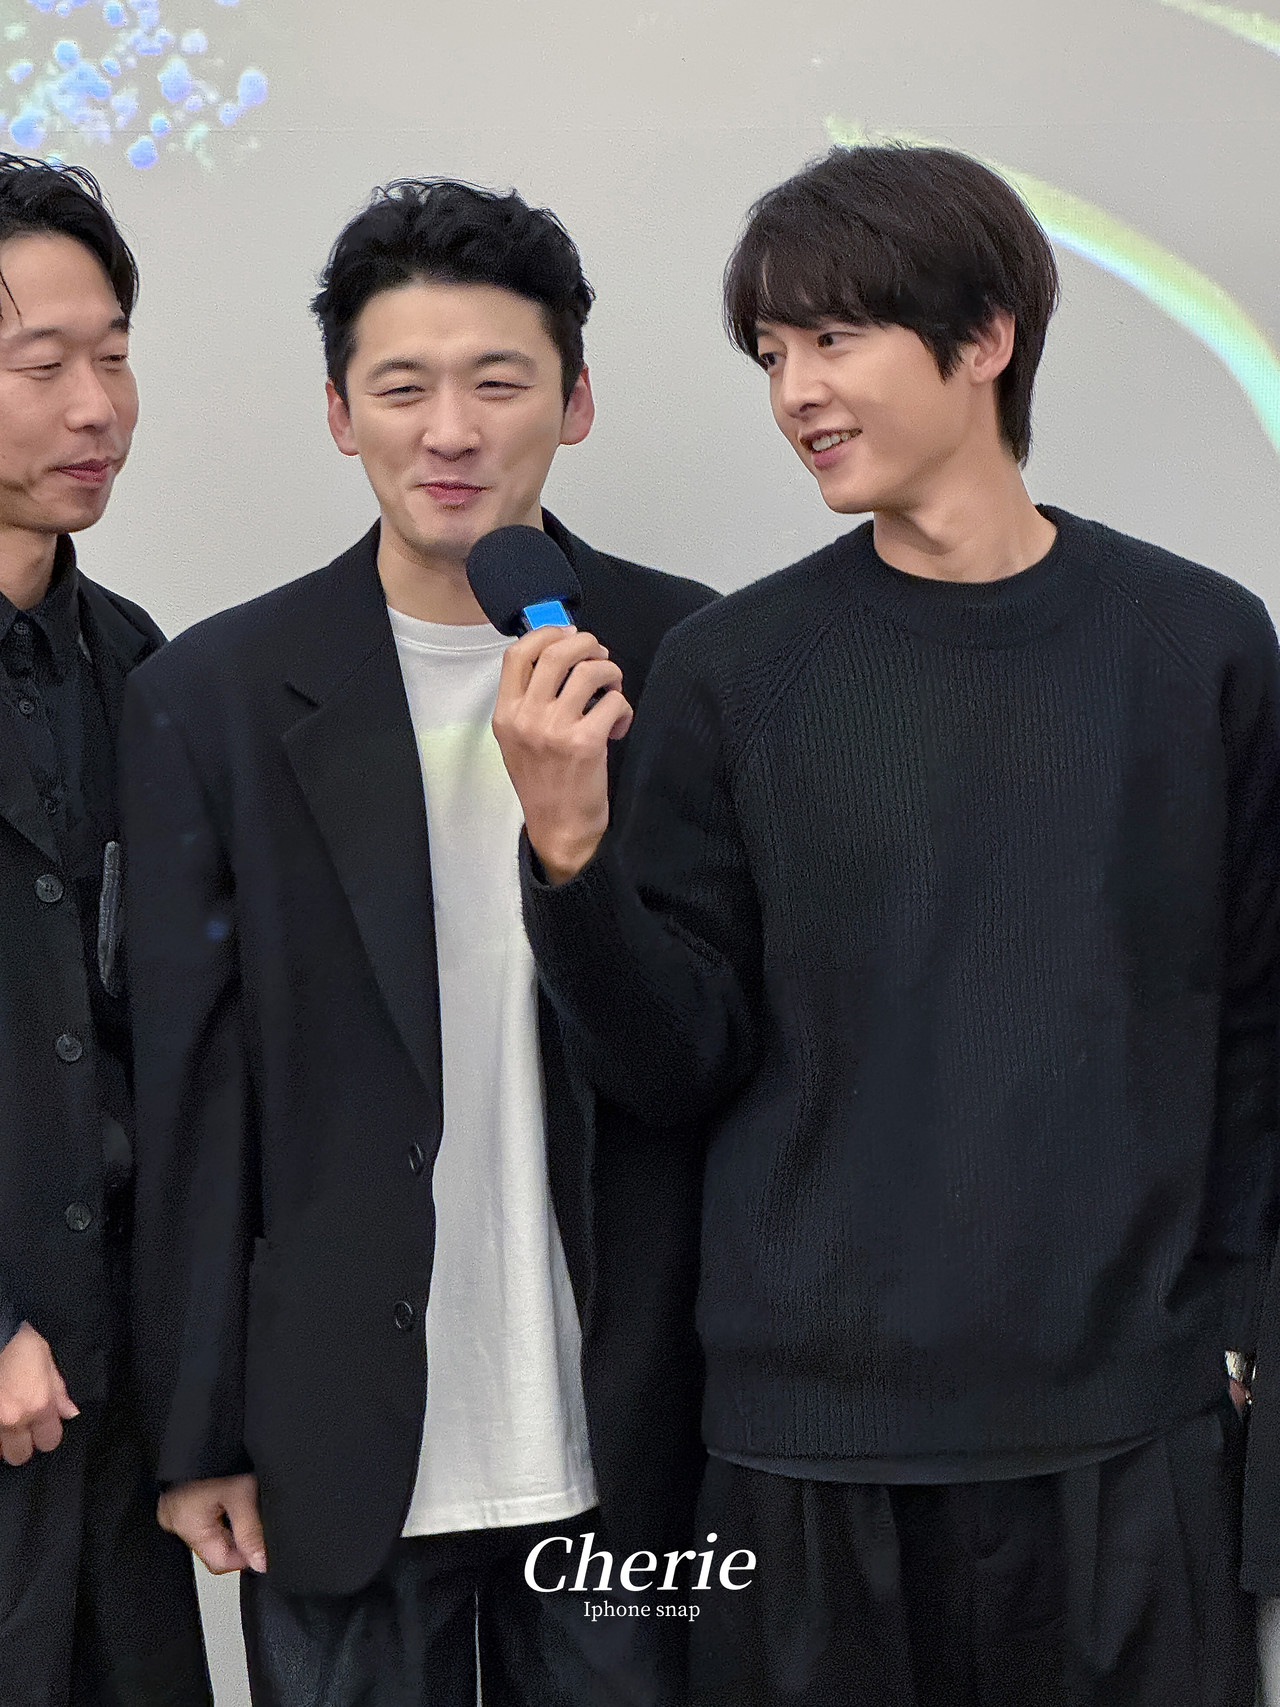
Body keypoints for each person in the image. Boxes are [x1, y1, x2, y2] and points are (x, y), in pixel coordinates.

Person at [491, 143, 1279, 1706]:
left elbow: (1252, 1025)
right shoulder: (737, 670)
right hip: (805, 1461)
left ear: (986, 337)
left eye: (834, 338)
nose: (797, 393)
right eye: (772, 354)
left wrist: (1234, 1342)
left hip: (1129, 1443)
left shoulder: (1198, 645)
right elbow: (671, 1067)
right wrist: (570, 856)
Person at [122, 179, 715, 1707]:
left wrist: (573, 848)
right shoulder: (214, 697)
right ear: (340, 415)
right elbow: (192, 1091)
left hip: (625, 1435)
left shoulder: (695, 661)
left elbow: (711, 1064)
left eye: (499, 382)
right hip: (337, 1433)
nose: (450, 430)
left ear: (576, 401)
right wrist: (196, 1429)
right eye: (402, 388)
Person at [0, 155, 211, 1705]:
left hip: (113, 1393)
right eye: (41, 367)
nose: (98, 408)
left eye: (115, 355)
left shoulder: (141, 667)